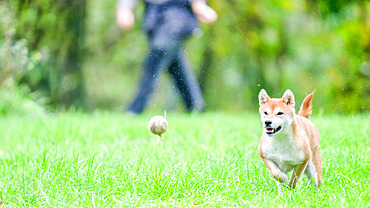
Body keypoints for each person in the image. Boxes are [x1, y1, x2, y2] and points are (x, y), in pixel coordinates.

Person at [116, 0, 218, 114]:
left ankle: (134, 110)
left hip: (178, 18)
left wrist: (199, 4)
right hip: (155, 20)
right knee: (176, 67)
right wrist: (124, 9)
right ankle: (196, 108)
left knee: (157, 55)